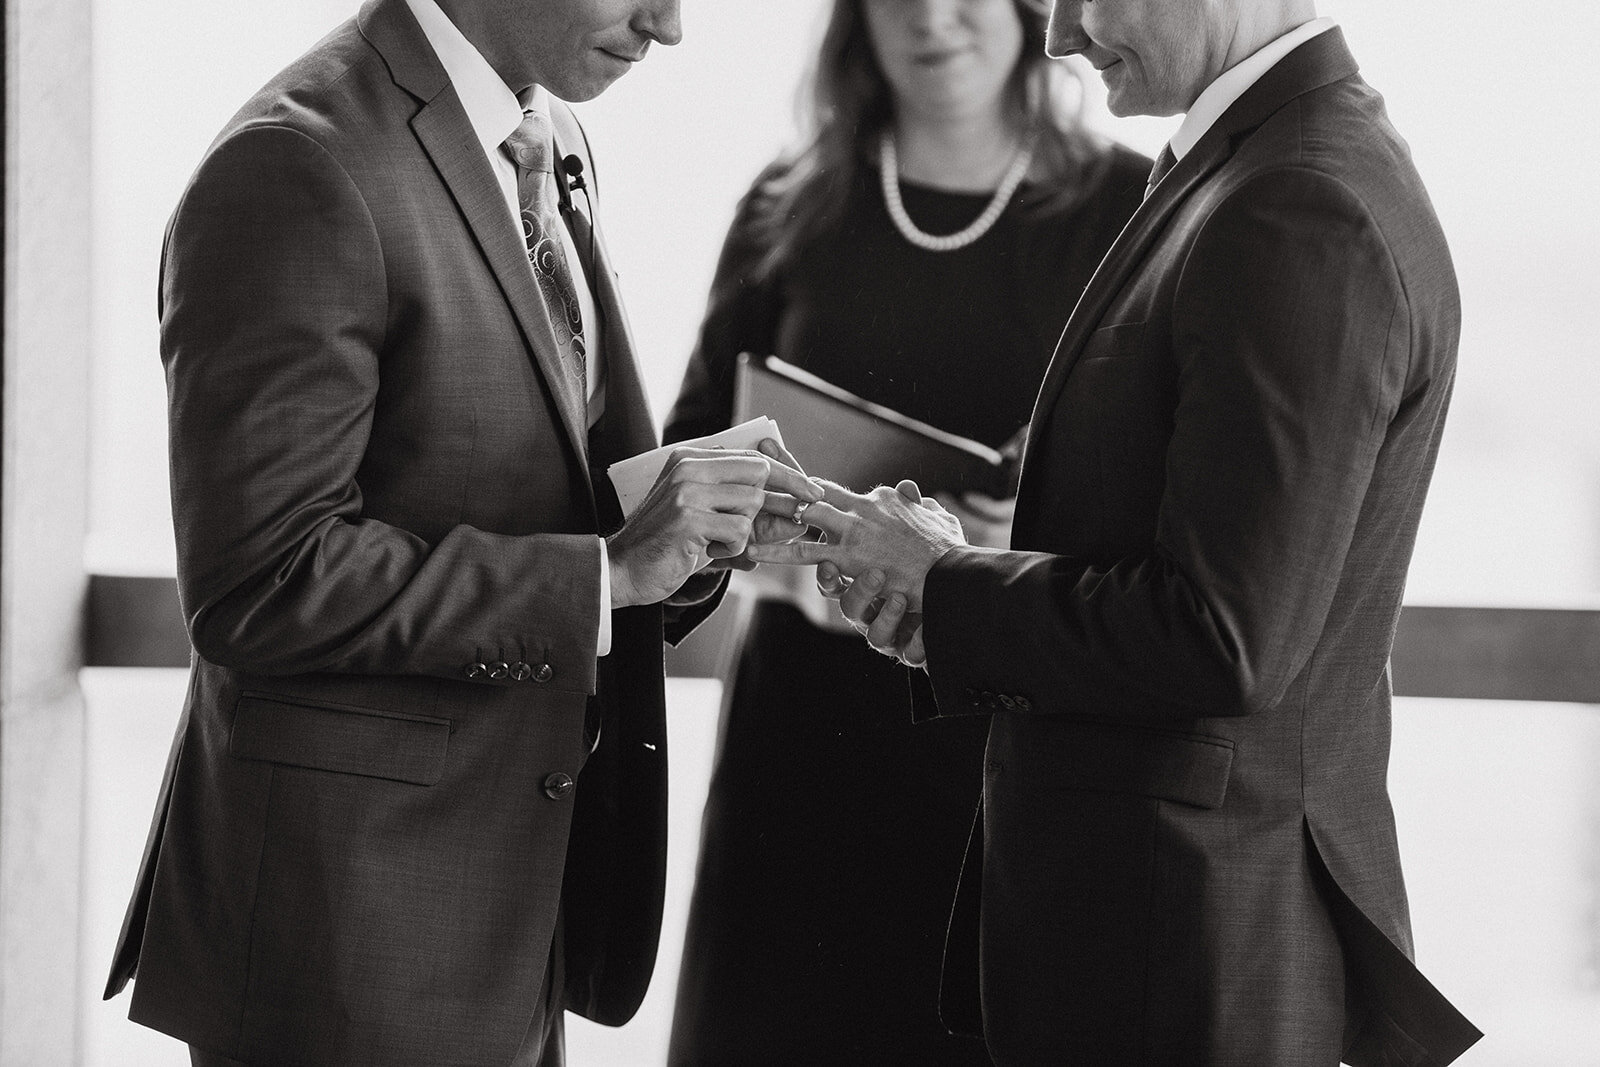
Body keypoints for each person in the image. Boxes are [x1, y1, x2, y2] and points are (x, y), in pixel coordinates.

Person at [750, 0, 1485, 1062]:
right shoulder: (1260, 166)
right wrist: (945, 574)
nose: (1058, 36)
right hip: (1165, 929)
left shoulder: (1298, 203)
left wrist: (947, 585)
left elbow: (1222, 636)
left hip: (1185, 948)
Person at [99, 1, 820, 1064]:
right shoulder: (295, 162)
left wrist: (687, 531)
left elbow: (520, 477)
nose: (669, 26)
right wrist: (606, 574)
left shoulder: (544, 133)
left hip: (511, 913)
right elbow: (259, 579)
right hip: (347, 938)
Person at [661, 0, 1146, 1061]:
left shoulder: (1128, 206)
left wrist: (1021, 531)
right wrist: (781, 524)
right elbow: (685, 459)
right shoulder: (789, 201)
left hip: (1002, 724)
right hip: (802, 725)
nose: (932, 19)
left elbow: (1167, 500)